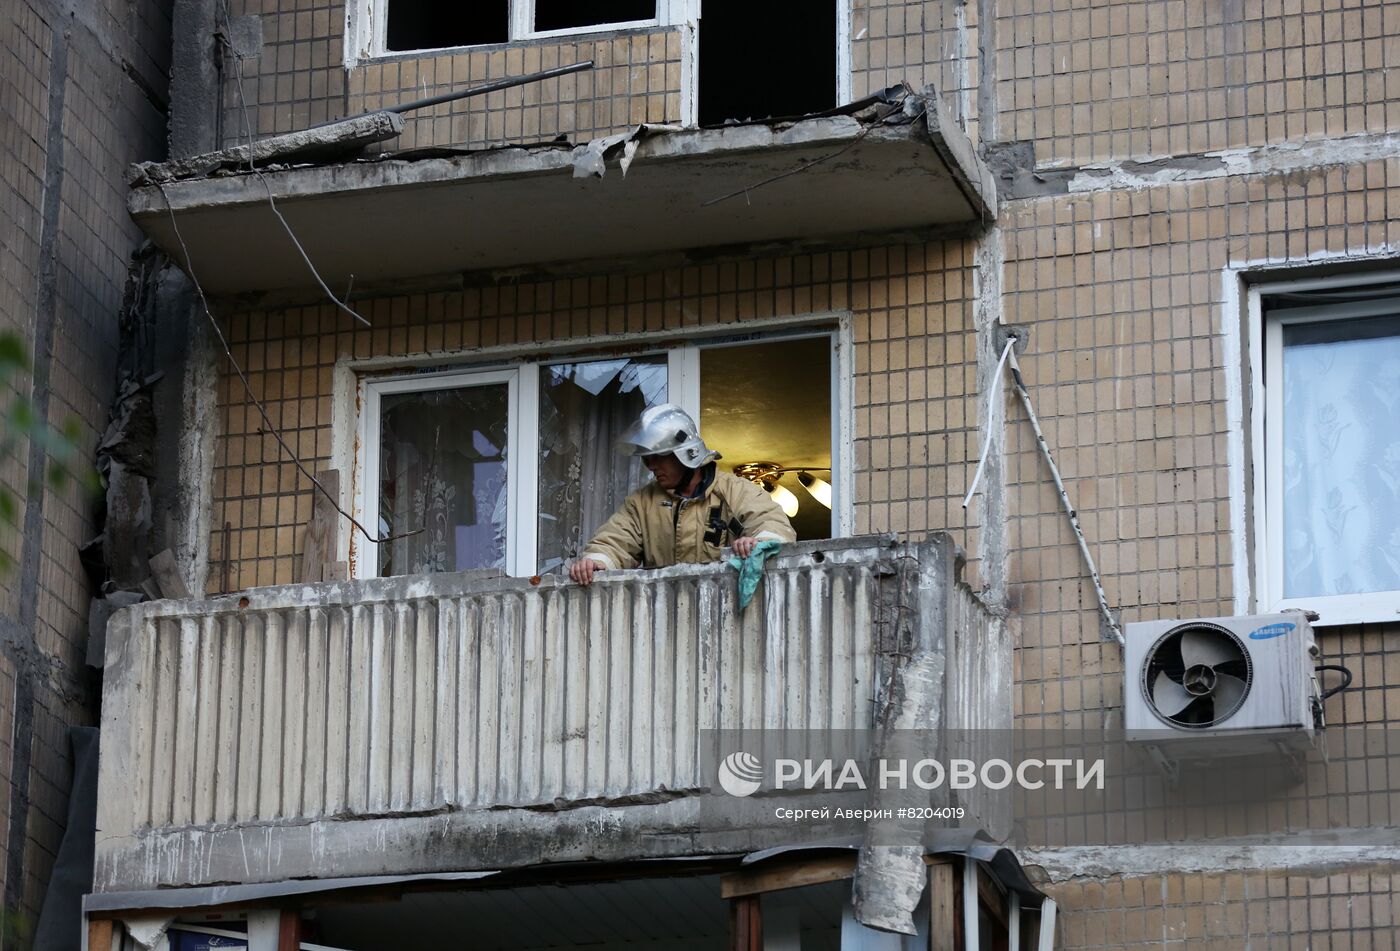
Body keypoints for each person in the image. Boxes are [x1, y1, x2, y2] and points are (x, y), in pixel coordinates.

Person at [567, 403, 796, 585]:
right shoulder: (642, 503)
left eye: (658, 457)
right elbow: (614, 542)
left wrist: (759, 542)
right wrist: (595, 562)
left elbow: (773, 525)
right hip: (666, 618)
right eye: (646, 459)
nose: (650, 466)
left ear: (685, 454)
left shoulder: (735, 491)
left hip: (726, 614)